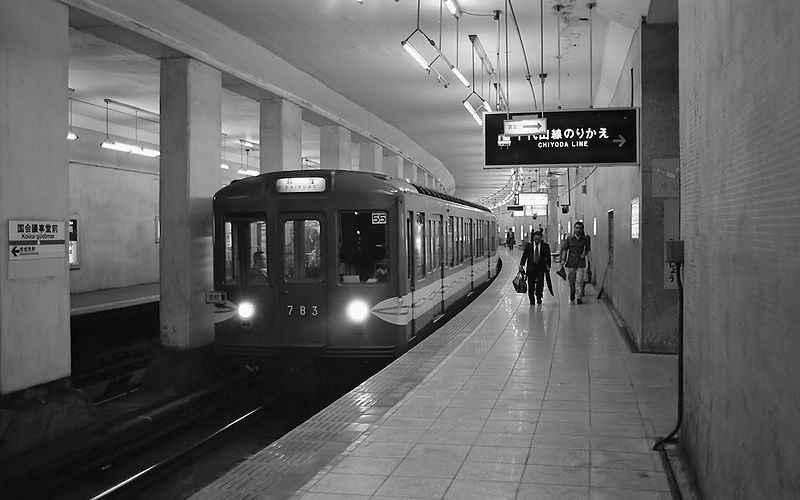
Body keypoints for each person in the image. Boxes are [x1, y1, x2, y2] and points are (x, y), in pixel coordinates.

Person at [560, 221, 591, 304]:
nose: (578, 230)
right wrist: (563, 260)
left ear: (582, 229)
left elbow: (587, 250)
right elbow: (565, 250)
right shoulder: (569, 239)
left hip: (581, 263)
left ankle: (578, 297)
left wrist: (584, 254)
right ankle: (572, 292)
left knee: (579, 280)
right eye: (577, 228)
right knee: (571, 280)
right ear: (574, 228)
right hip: (571, 262)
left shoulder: (585, 239)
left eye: (580, 228)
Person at [519, 230, 551, 305]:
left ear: (541, 238)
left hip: (540, 268)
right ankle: (532, 300)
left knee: (540, 283)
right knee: (531, 284)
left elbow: (548, 257)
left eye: (538, 239)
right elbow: (525, 256)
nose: (537, 240)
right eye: (535, 238)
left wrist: (548, 266)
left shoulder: (545, 246)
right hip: (531, 268)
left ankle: (539, 296)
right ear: (533, 238)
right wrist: (521, 264)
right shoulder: (529, 246)